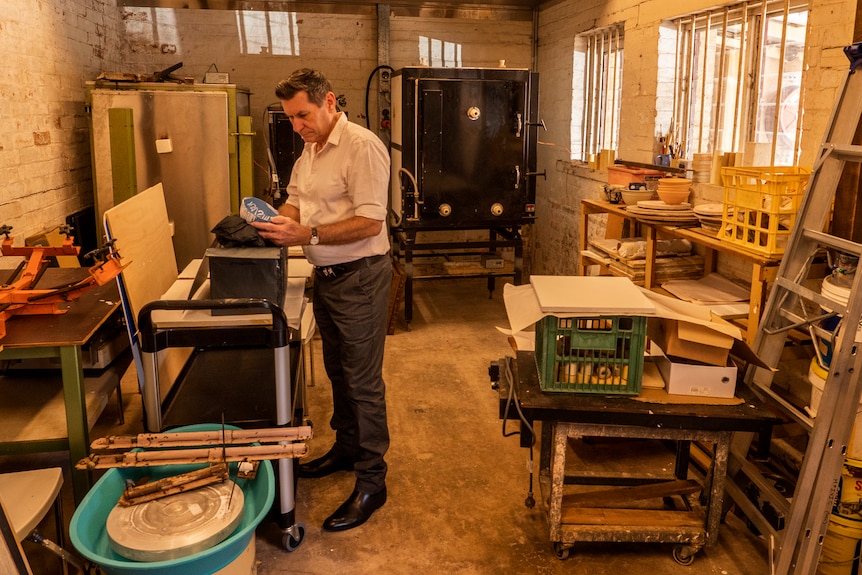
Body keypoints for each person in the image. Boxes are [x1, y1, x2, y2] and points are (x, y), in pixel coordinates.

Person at [253, 68, 392, 532]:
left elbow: (371, 221)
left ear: (329, 101)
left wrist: (307, 233)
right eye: (291, 118)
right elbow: (295, 201)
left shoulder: (362, 146)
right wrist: (276, 223)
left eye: (303, 115)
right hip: (327, 277)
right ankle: (347, 449)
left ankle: (373, 480)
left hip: (362, 277)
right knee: (337, 370)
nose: (297, 126)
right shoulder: (309, 152)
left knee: (363, 380)